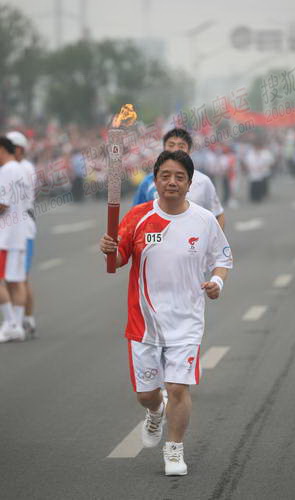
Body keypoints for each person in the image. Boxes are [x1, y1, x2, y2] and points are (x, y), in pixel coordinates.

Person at [100, 150, 233, 476]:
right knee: (147, 394)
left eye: (179, 177)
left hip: (186, 320)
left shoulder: (203, 220)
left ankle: (174, 450)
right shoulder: (138, 217)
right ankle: (155, 411)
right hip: (143, 321)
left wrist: (216, 281)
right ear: (155, 180)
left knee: (177, 388)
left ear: (189, 183)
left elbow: (224, 258)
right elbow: (117, 263)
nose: (172, 182)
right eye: (165, 176)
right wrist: (110, 251)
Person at [133, 128, 225, 230]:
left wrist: (214, 242)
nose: (175, 149)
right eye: (171, 145)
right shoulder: (148, 182)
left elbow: (218, 215)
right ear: (164, 148)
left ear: (189, 151)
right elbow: (135, 217)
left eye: (181, 146)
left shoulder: (203, 181)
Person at [6, 131, 37, 337]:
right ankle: (24, 319)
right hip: (20, 223)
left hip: (20, 225)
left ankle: (23, 320)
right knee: (17, 278)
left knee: (19, 278)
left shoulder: (18, 168)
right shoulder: (24, 167)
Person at [0, 137, 28, 342]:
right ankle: (17, 326)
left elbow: (3, 204)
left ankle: (9, 323)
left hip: (6, 235)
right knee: (16, 282)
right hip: (19, 232)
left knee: (8, 281)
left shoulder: (6, 171)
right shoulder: (20, 170)